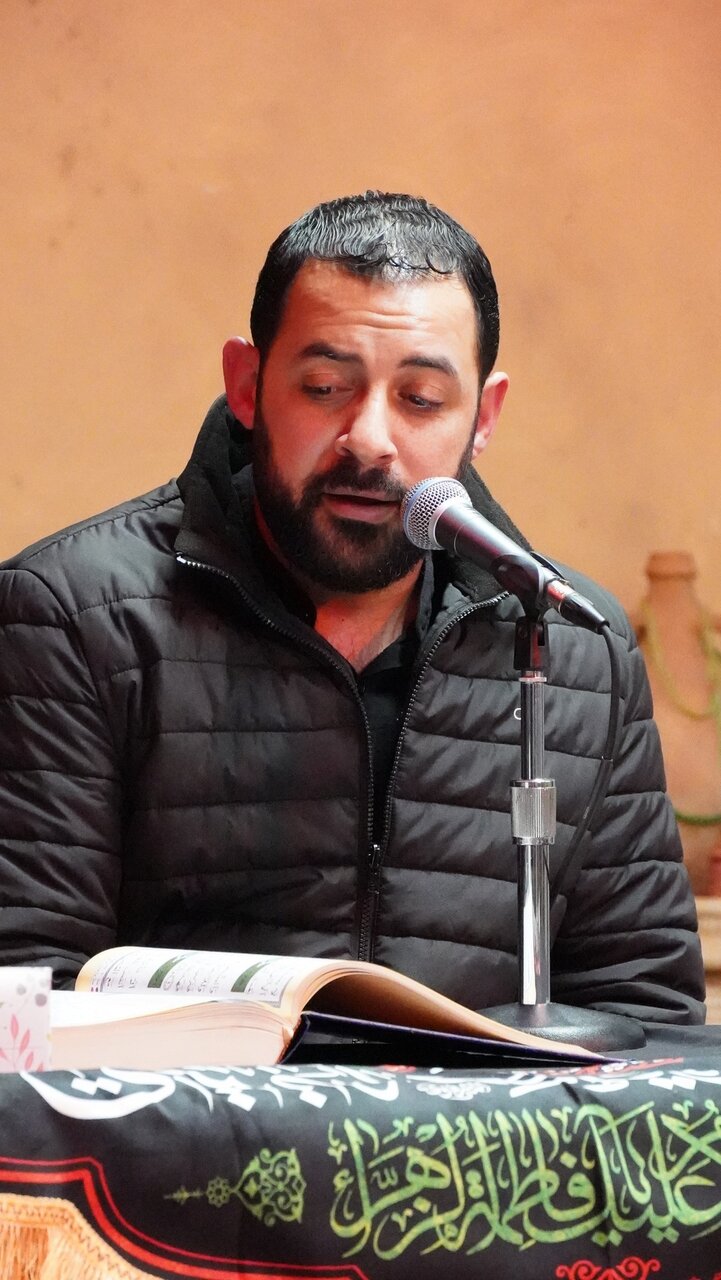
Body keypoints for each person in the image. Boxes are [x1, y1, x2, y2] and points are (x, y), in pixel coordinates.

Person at [0, 191, 705, 1024]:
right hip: (187, 1110)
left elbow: (642, 1007)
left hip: (477, 1116)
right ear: (247, 385)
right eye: (326, 386)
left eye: (421, 399)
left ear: (483, 417)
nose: (369, 439)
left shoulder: (575, 645)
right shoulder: (72, 617)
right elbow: (24, 1001)